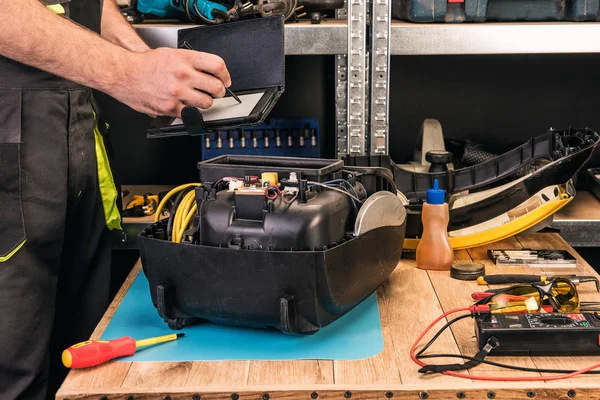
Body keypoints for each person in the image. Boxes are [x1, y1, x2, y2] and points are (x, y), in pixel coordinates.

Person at [0, 1, 232, 398]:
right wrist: (127, 73)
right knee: (13, 372)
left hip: (73, 135)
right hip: (10, 133)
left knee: (86, 364)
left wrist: (145, 61)